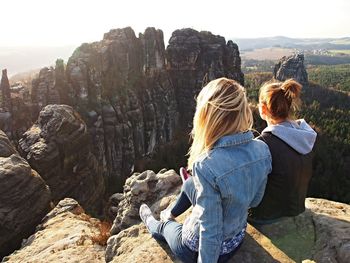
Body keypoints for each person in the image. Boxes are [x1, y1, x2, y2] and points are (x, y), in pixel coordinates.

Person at [139, 77, 272, 263]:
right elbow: (256, 201)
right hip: (237, 240)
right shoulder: (262, 150)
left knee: (163, 228)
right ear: (243, 112)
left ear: (206, 117)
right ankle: (170, 211)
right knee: (190, 184)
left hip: (195, 249)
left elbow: (210, 233)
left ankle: (156, 220)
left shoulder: (205, 166)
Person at [248, 79, 317, 224]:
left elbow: (251, 190)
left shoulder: (264, 143)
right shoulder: (305, 136)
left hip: (267, 217)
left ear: (263, 109)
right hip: (297, 210)